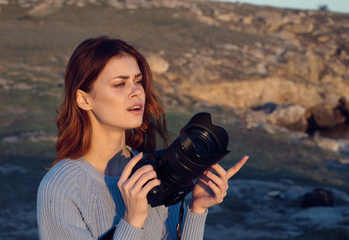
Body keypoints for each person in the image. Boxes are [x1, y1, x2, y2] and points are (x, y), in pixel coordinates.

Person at [37, 36, 249, 240]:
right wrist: (132, 221)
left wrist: (196, 210)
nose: (136, 91)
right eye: (120, 84)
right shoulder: (61, 187)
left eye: (137, 81)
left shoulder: (155, 171)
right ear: (84, 99)